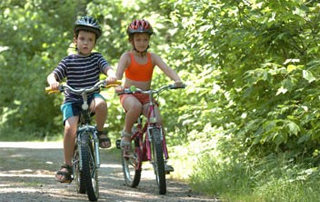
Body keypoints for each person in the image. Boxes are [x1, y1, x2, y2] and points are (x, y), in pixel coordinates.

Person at [47, 16, 117, 183]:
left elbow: (108, 68)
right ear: (75, 40)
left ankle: (100, 132)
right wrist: (54, 83)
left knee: (101, 104)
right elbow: (53, 75)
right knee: (70, 129)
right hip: (72, 99)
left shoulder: (96, 58)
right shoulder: (68, 60)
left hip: (91, 96)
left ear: (94, 43)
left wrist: (111, 76)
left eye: (90, 40)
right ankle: (67, 165)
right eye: (82, 39)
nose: (85, 43)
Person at [115, 19, 184, 173]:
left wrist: (177, 80)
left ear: (149, 40)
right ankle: (126, 134)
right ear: (131, 40)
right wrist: (118, 85)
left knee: (157, 120)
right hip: (129, 95)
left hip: (147, 96)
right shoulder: (127, 57)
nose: (142, 42)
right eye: (138, 39)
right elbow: (118, 75)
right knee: (135, 106)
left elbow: (167, 69)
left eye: (145, 39)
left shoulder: (152, 57)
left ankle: (161, 159)